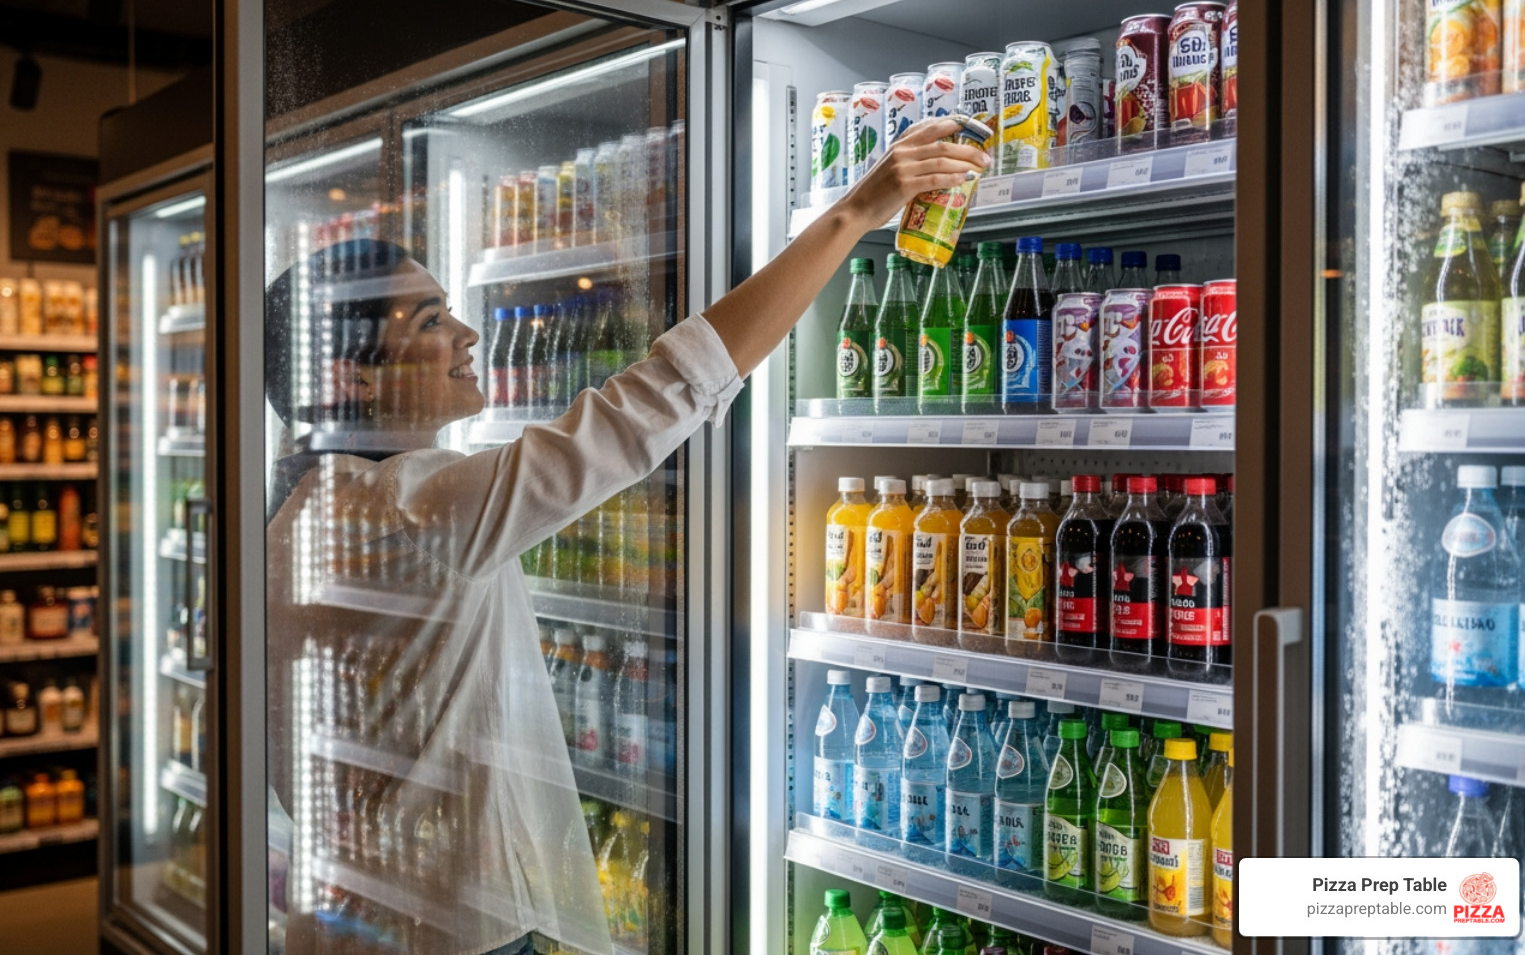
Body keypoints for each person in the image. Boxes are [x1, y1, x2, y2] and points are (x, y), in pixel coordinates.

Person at [265, 118, 989, 955]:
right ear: (348, 375)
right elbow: (651, 403)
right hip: (452, 922)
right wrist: (853, 213)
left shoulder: (301, 509)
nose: (467, 334)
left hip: (360, 910)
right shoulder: (407, 506)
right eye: (431, 321)